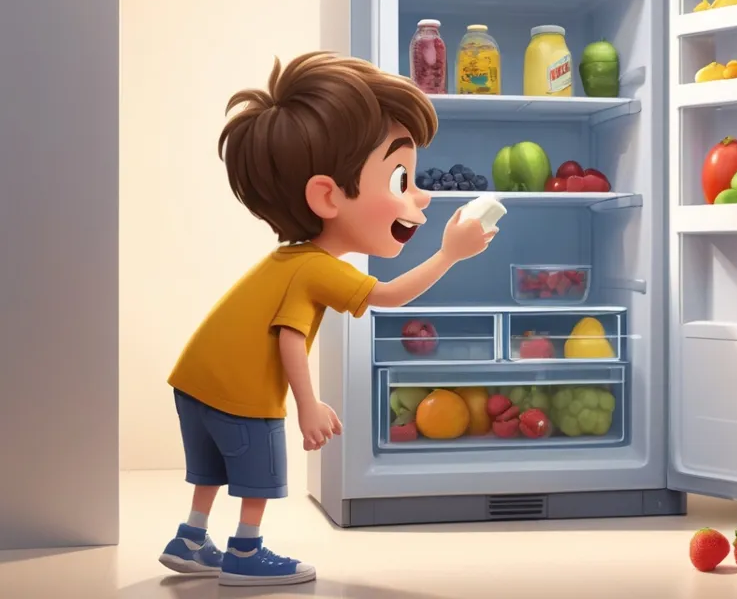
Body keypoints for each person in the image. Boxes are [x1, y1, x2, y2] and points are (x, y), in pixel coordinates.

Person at [158, 52, 495, 586]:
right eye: (400, 178)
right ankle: (245, 554)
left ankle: (191, 538)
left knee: (210, 469)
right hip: (240, 394)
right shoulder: (316, 268)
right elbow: (364, 305)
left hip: (194, 382)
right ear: (327, 196)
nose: (420, 196)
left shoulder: (287, 260)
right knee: (258, 475)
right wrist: (450, 253)